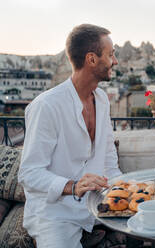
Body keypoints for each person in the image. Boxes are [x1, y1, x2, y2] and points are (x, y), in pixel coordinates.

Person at [18, 24, 122, 248]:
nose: (115, 61)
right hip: (55, 213)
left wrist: (123, 190)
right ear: (91, 59)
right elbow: (29, 173)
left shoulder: (102, 99)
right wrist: (73, 186)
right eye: (111, 54)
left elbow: (108, 158)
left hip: (95, 204)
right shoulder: (46, 106)